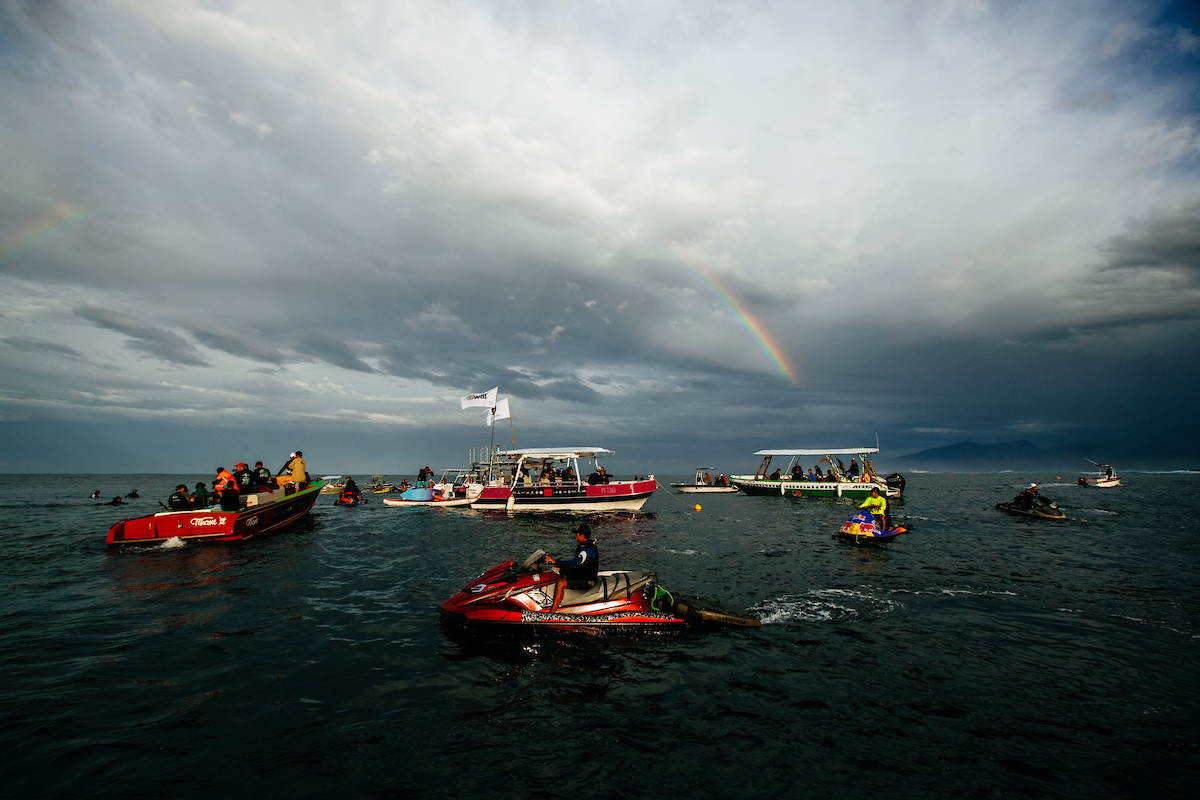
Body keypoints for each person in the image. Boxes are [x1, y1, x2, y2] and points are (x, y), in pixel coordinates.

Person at [546, 522, 599, 611]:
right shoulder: (585, 546)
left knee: (561, 583)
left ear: (582, 535)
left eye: (577, 533)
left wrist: (555, 561)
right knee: (558, 573)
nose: (575, 535)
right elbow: (579, 566)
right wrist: (562, 569)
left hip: (587, 580)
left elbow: (574, 563)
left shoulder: (587, 551)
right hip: (582, 575)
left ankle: (552, 613)